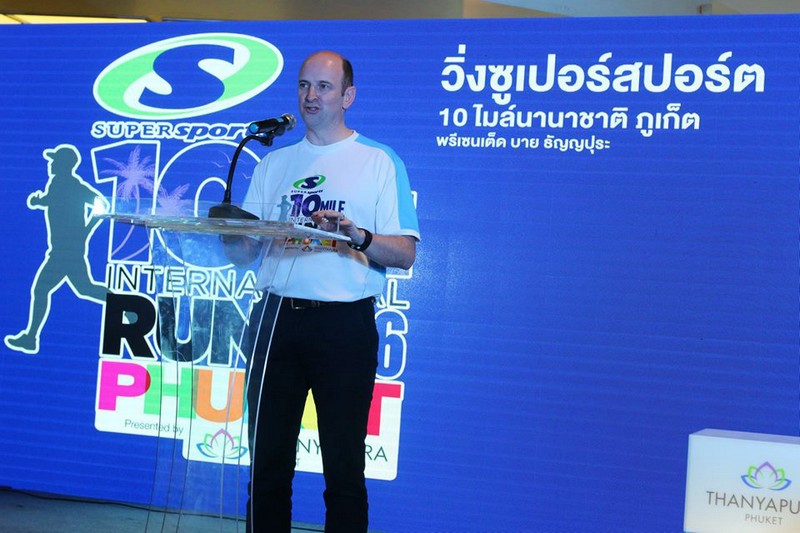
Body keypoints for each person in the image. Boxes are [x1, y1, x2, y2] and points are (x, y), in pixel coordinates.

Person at [230, 50, 420, 533]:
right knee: (267, 465)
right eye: (303, 85)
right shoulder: (273, 163)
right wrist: (228, 231)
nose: (310, 96)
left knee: (344, 470)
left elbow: (405, 253)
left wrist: (356, 235)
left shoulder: (378, 161)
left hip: (342, 326)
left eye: (324, 86)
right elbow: (246, 253)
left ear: (348, 96)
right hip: (274, 321)